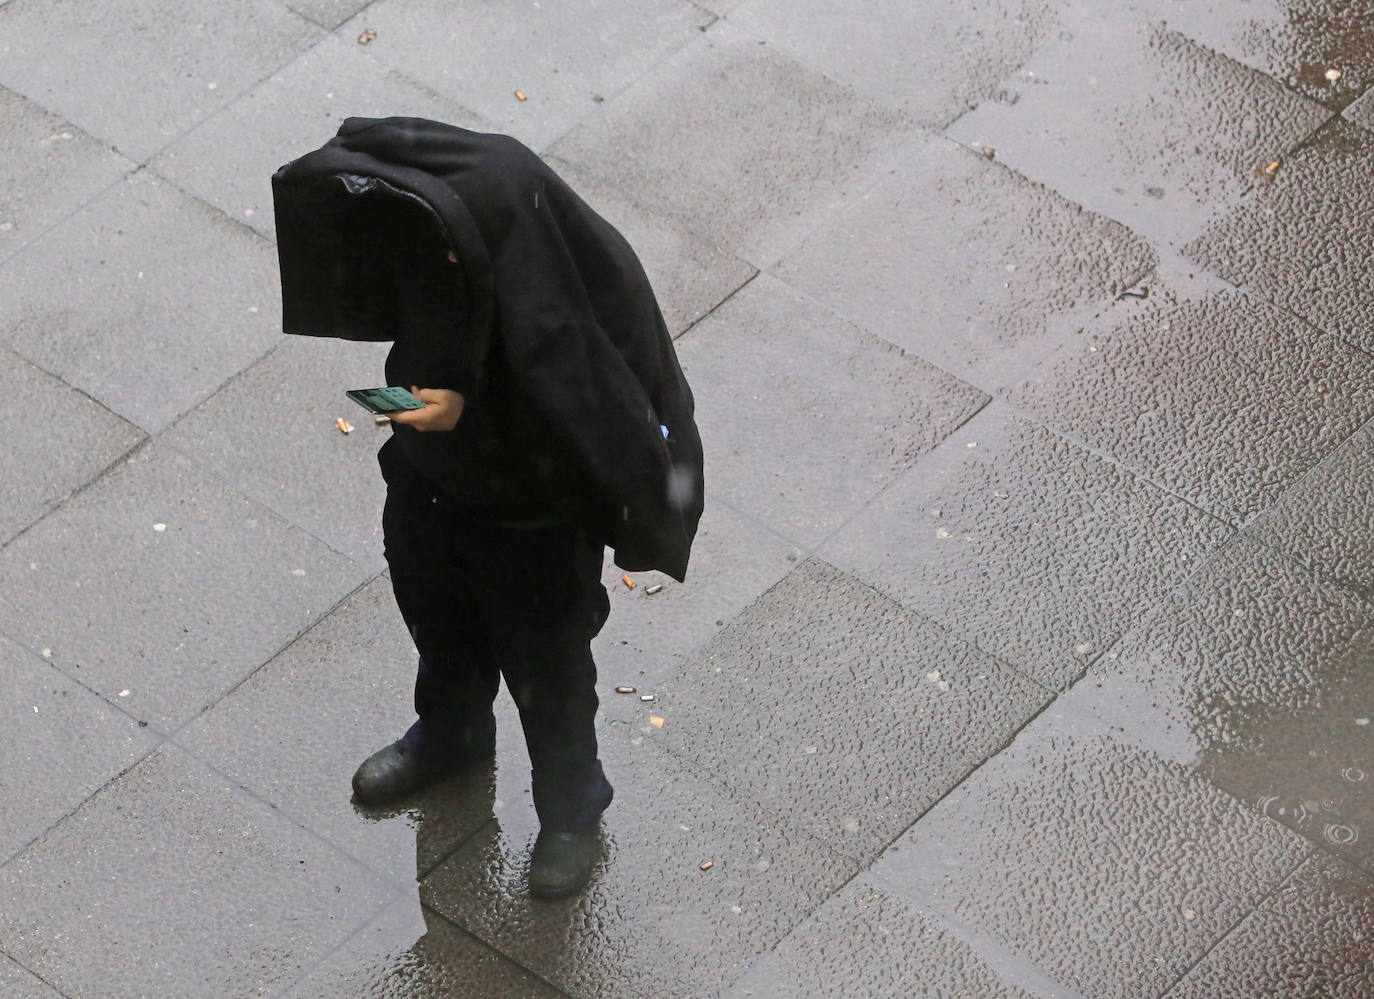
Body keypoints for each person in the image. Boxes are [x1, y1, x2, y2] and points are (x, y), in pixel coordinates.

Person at [271, 117, 704, 897]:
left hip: (530, 529)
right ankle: (451, 732)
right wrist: (415, 410)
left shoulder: (555, 306)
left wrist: (460, 412)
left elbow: (588, 420)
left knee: (551, 674)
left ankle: (573, 808)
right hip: (430, 491)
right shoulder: (439, 253)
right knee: (440, 626)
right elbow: (412, 348)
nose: (433, 259)